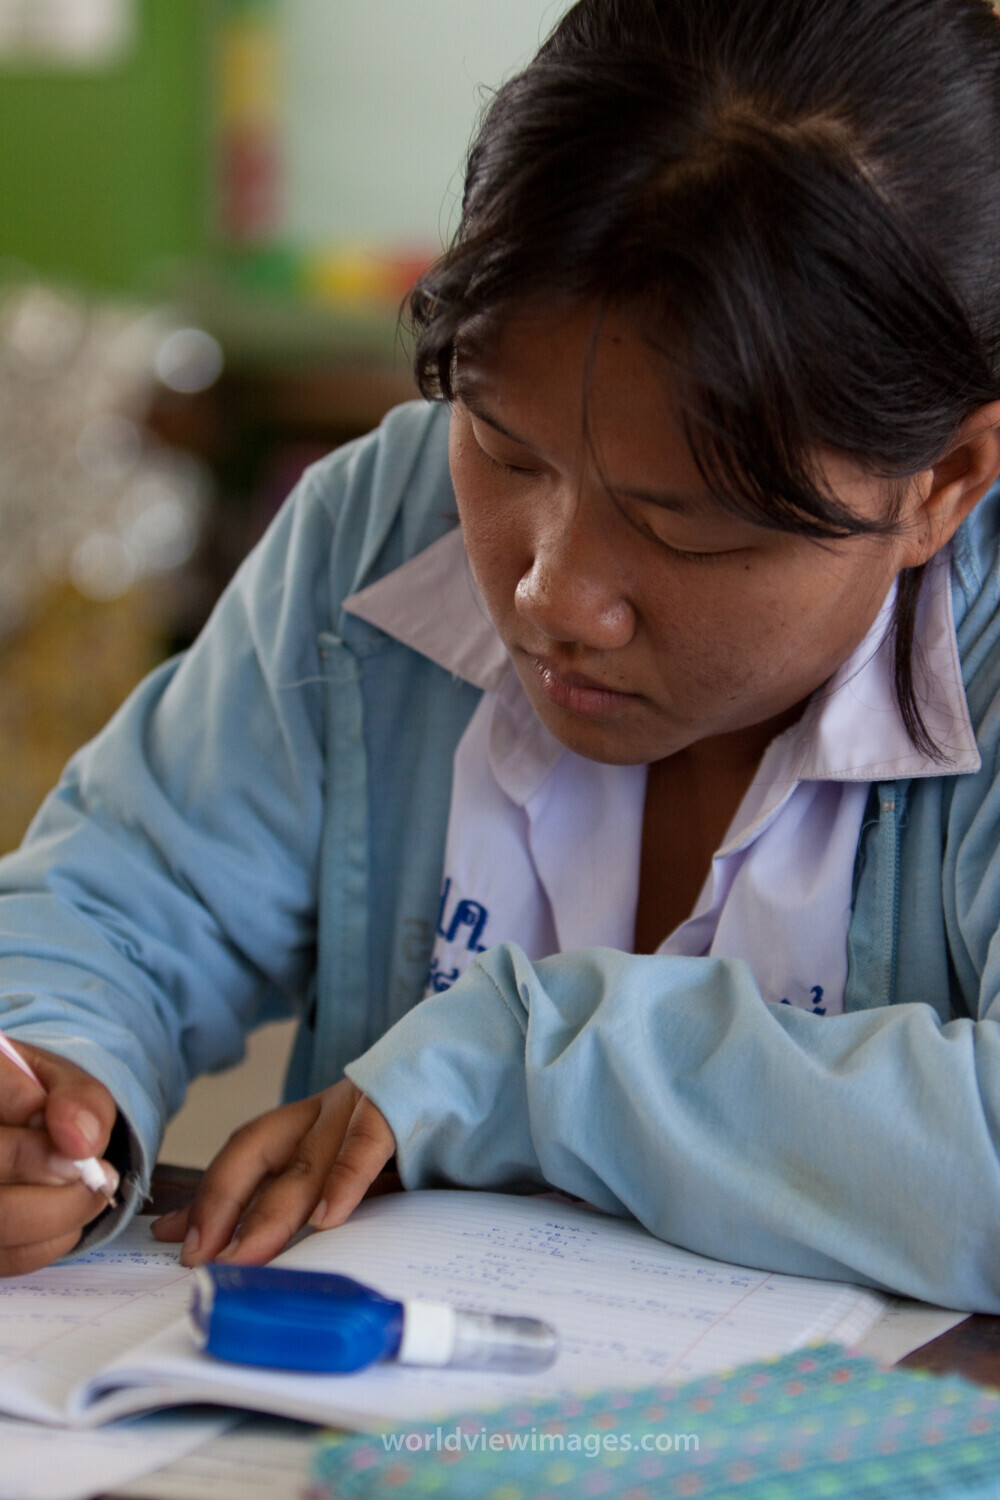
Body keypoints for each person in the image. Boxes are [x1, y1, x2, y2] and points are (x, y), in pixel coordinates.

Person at [3, 0, 1000, 1309]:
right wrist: (56, 1082)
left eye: (684, 526)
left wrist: (530, 1056)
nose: (552, 589)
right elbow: (125, 895)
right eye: (505, 447)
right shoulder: (384, 525)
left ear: (946, 482)